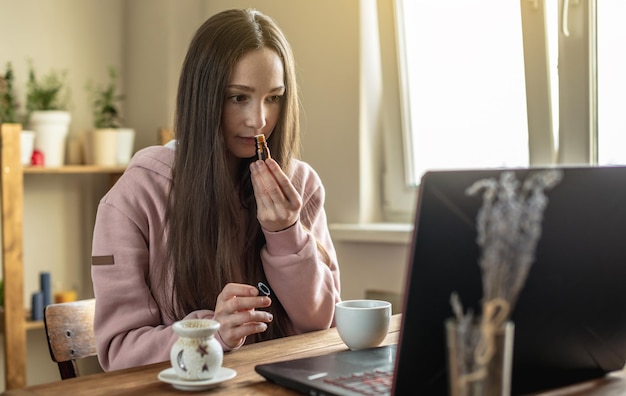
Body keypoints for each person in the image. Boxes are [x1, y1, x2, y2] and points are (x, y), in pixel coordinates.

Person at [91, 8, 341, 372]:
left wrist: (285, 233)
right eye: (238, 97)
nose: (259, 120)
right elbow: (118, 354)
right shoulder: (137, 194)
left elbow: (322, 325)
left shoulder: (300, 185)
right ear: (202, 98)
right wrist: (209, 332)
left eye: (274, 97)